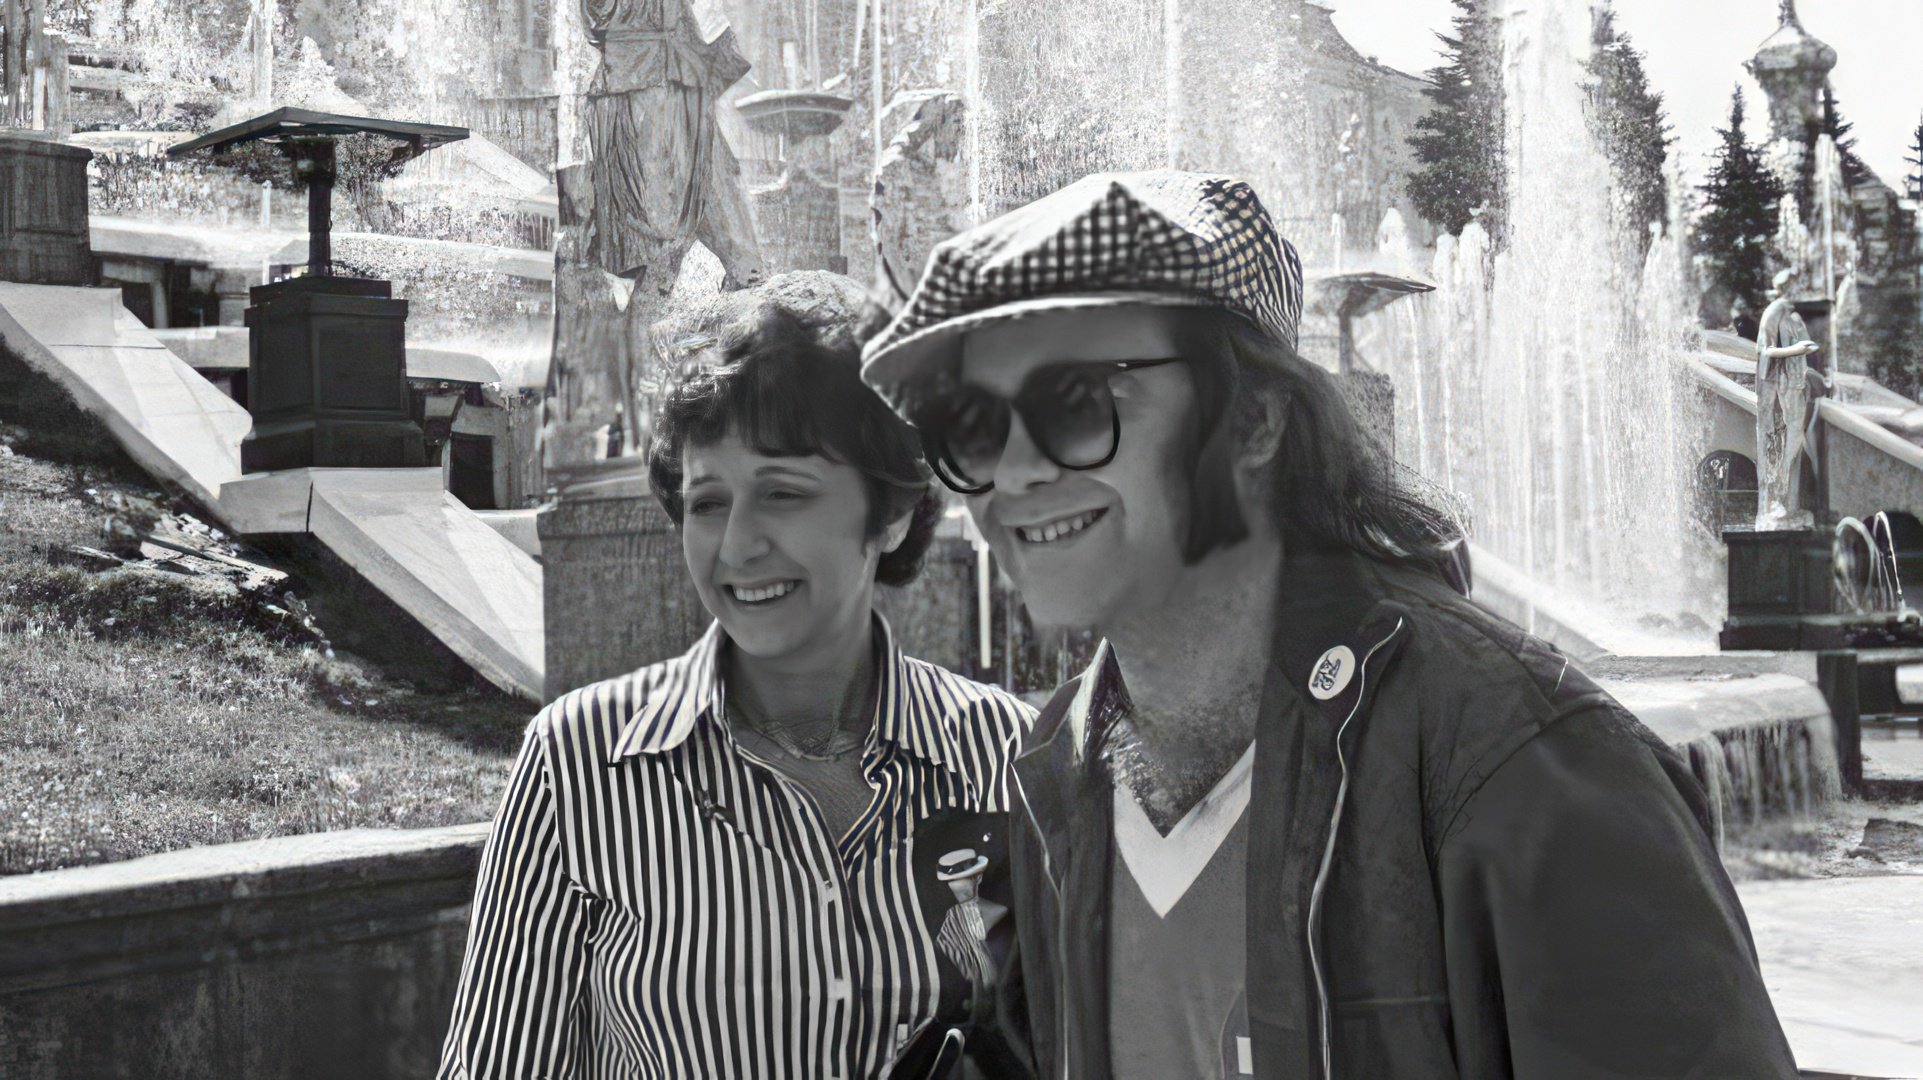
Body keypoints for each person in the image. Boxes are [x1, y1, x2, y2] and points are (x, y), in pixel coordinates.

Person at [861, 171, 1799, 1079]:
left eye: (1076, 403)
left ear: (1255, 420)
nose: (1014, 472)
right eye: (968, 426)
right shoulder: (1055, 769)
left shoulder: (1519, 764)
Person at [439, 293, 1034, 1080]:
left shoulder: (1008, 756)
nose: (737, 545)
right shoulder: (578, 764)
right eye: (708, 502)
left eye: (784, 492)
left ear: (889, 514)